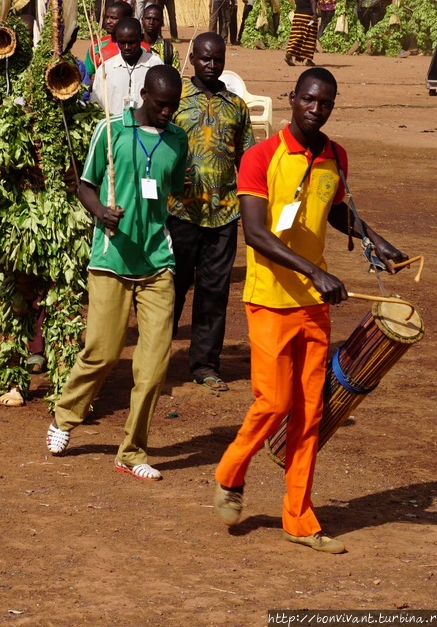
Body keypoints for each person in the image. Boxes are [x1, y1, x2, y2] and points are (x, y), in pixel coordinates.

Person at [214, 66, 407, 553]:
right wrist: (314, 271)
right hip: (269, 301)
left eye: (326, 104)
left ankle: (299, 517)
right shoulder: (260, 157)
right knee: (273, 403)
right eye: (309, 101)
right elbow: (256, 233)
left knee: (309, 413)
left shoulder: (335, 156)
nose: (316, 110)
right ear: (294, 98)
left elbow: (335, 208)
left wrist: (374, 239)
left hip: (313, 307)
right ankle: (230, 471)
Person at [45, 66, 189, 481]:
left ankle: (132, 451)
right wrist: (101, 212)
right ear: (143, 94)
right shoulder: (110, 132)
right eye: (161, 104)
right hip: (111, 260)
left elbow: (171, 190)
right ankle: (65, 415)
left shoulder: (177, 140)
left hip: (157, 263)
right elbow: (83, 184)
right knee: (104, 352)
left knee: (154, 364)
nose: (167, 112)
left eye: (173, 106)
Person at [168, 33, 254, 391]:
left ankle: (205, 364)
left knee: (214, 291)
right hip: (180, 212)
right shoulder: (175, 99)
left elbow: (247, 160)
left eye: (217, 59)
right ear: (193, 60)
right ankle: (155, 357)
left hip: (224, 213)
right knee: (171, 288)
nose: (212, 65)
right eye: (205, 58)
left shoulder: (237, 106)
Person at [90, 17, 163, 114]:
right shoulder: (106, 68)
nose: (127, 47)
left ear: (141, 38)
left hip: (146, 128)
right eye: (122, 43)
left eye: (132, 42)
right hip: (115, 127)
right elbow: (97, 103)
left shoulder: (155, 65)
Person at [84, 0, 134, 81]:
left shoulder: (142, 48)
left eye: (114, 18)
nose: (108, 21)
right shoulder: (97, 46)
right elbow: (86, 77)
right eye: (107, 17)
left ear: (127, 19)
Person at [285, 0, 318, 67]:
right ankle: (308, 59)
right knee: (309, 38)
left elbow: (295, 0)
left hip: (298, 16)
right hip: (309, 18)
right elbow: (313, 2)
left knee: (296, 36)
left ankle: (290, 54)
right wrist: (314, 14)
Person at [141, 4, 181, 70]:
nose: (151, 22)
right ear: (142, 20)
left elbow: (176, 77)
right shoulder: (133, 46)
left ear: (162, 23)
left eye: (155, 19)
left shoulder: (169, 51)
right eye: (148, 18)